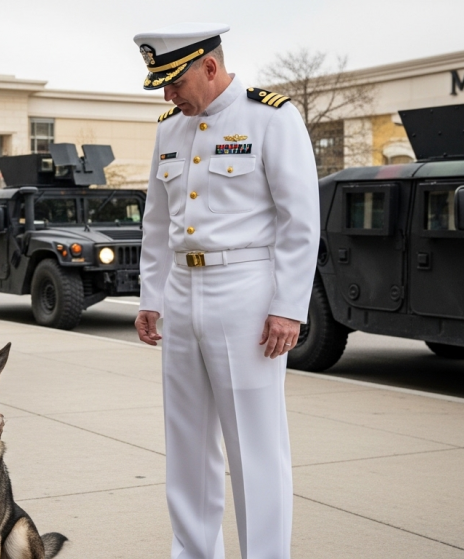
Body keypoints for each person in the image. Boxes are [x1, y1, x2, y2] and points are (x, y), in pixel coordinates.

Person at [132, 23, 320, 559]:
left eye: (174, 82)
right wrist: (152, 297)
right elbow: (156, 223)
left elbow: (300, 221)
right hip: (182, 292)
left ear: (209, 68)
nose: (168, 95)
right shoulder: (170, 129)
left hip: (245, 292)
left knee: (255, 447)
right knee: (187, 445)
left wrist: (288, 308)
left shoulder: (271, 117)